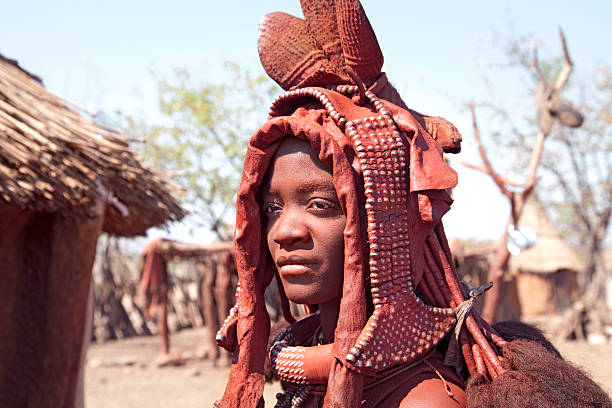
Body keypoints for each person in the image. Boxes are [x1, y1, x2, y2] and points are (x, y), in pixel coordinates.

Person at [215, 1, 612, 407]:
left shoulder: (422, 400)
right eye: (272, 209)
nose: (285, 231)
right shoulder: (305, 372)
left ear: (385, 225)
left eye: (319, 204)